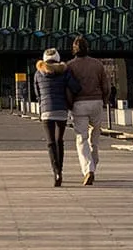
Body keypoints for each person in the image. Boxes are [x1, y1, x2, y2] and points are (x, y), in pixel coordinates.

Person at [65, 35, 111, 186]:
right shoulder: (97, 64)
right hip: (96, 102)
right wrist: (104, 100)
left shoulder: (70, 66)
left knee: (81, 138)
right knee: (95, 138)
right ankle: (93, 166)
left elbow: (68, 88)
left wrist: (69, 104)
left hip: (79, 104)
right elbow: (106, 86)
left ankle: (88, 169)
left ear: (74, 49)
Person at [32, 48, 80, 187]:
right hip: (61, 110)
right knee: (60, 140)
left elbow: (37, 94)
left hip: (46, 111)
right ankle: (61, 170)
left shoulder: (38, 73)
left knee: (50, 142)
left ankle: (56, 172)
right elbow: (76, 87)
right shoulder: (64, 71)